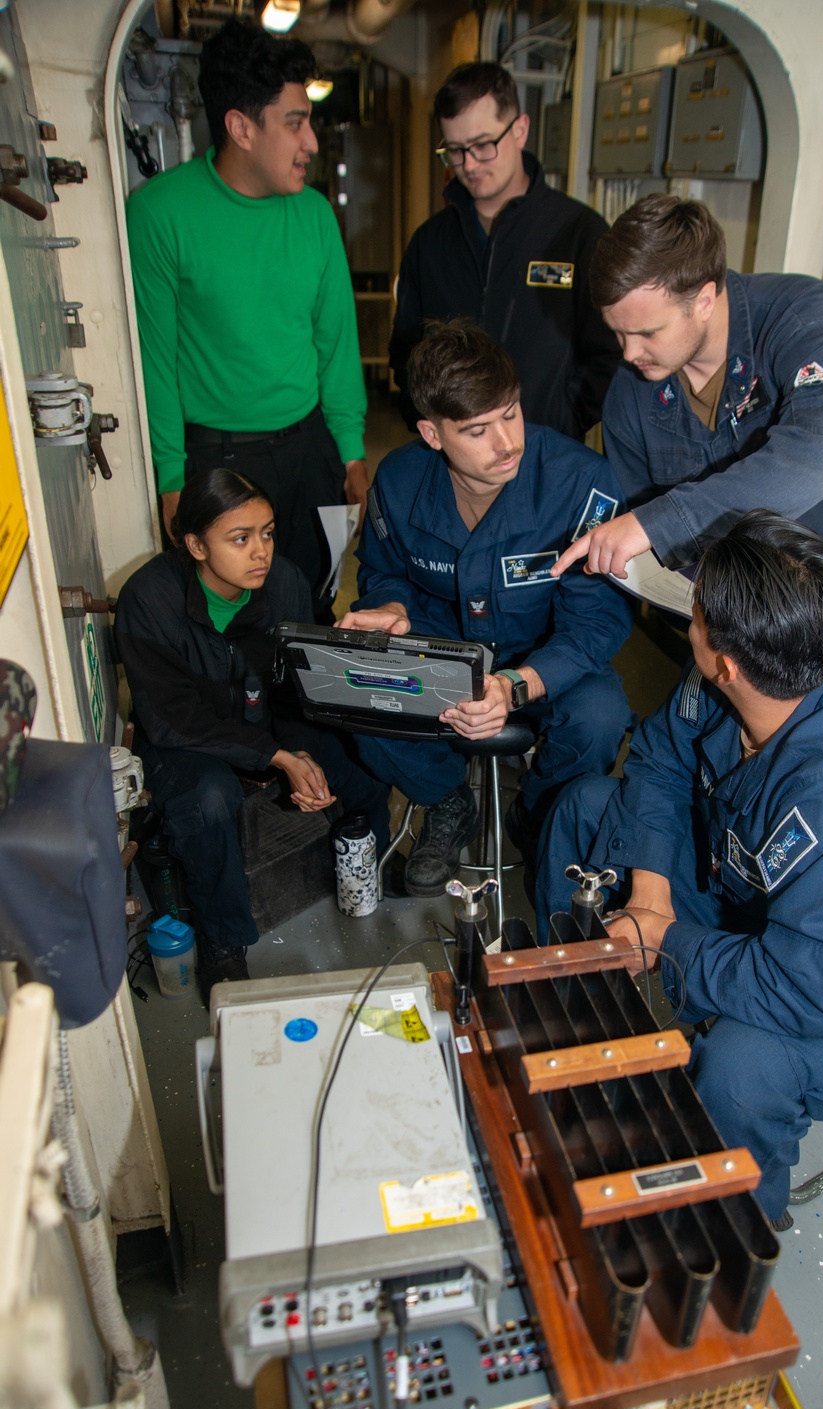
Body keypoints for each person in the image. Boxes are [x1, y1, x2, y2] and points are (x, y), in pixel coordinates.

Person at [536, 511, 823, 1226]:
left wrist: (665, 941)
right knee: (586, 808)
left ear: (729, 661)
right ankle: (581, 1032)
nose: (691, 622)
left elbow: (812, 990)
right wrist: (651, 897)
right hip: (744, 880)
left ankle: (726, 1234)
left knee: (744, 1068)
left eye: (696, 612)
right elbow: (660, 759)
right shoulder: (744, 669)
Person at [552, 195, 823, 750]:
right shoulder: (631, 398)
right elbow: (658, 534)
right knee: (763, 750)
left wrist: (657, 523)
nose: (630, 353)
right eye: (617, 333)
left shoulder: (807, 320)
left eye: (649, 333)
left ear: (704, 298)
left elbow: (812, 455)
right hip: (761, 585)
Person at [340, 321, 634, 897]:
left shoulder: (581, 484)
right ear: (432, 433)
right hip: (443, 647)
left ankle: (542, 809)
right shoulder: (398, 482)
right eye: (477, 430)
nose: (506, 443)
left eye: (511, 413)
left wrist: (516, 686)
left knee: (600, 718)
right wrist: (390, 608)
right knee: (359, 692)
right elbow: (382, 571)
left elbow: (595, 621)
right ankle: (446, 801)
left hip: (548, 654)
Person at [115, 469, 389, 996]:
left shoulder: (284, 581)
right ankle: (224, 939)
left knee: (363, 757)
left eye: (266, 532)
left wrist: (303, 748)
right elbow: (171, 719)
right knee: (208, 798)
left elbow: (297, 687)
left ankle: (367, 866)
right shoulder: (149, 599)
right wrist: (278, 757)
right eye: (239, 539)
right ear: (195, 544)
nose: (259, 551)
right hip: (183, 737)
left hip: (266, 717)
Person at [127, 17, 367, 617]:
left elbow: (335, 344)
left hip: (311, 452)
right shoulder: (160, 214)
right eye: (295, 122)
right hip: (219, 459)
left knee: (314, 602)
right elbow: (152, 359)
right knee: (231, 620)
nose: (311, 141)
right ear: (241, 127)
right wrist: (170, 476)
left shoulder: (313, 215)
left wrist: (352, 453)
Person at [389, 63, 621, 442]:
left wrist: (561, 418)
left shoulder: (579, 233)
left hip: (545, 455)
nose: (468, 165)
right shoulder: (429, 244)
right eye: (455, 150)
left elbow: (609, 354)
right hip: (453, 467)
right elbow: (405, 353)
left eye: (482, 145)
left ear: (520, 130)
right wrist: (443, 429)